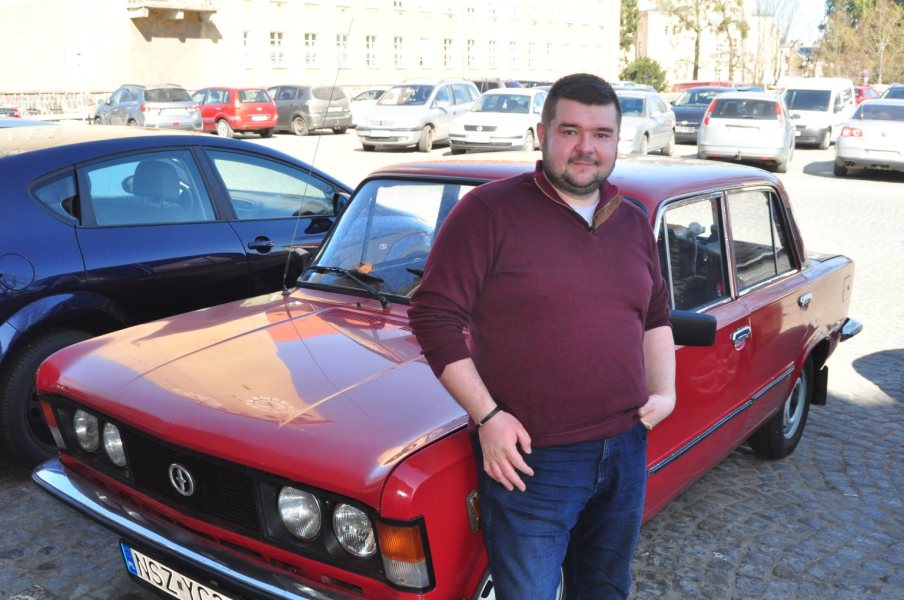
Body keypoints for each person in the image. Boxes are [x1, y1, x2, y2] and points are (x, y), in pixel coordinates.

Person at [408, 73, 676, 599]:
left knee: (605, 591)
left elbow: (655, 313)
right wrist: (487, 417)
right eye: (570, 131)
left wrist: (665, 392)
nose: (586, 147)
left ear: (617, 141)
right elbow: (433, 316)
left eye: (601, 134)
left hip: (624, 448)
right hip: (533, 460)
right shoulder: (488, 213)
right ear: (542, 134)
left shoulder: (632, 221)